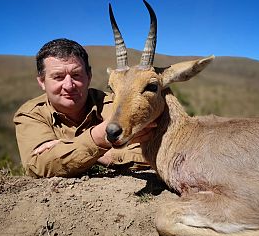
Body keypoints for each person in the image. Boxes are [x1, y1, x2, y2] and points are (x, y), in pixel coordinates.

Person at [14, 38, 154, 178]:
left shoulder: (115, 104)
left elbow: (150, 153)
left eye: (76, 75)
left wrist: (72, 147)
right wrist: (100, 142)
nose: (69, 85)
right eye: (58, 77)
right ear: (42, 82)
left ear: (89, 76)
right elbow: (39, 165)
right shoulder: (30, 114)